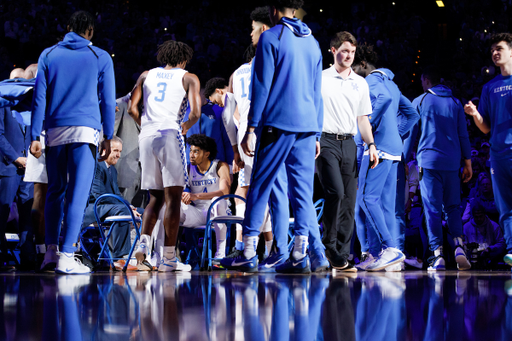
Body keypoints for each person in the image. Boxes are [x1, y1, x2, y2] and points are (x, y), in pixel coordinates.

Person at [222, 0, 324, 273]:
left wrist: (252, 127)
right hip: (307, 126)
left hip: (276, 124)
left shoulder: (271, 37)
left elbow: (262, 85)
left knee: (260, 186)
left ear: (274, 10)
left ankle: (247, 252)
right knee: (303, 193)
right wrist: (317, 132)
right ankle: (300, 255)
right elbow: (317, 93)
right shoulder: (312, 42)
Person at [30, 11, 116, 274]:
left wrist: (34, 135)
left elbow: (39, 98)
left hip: (54, 131)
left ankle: (50, 255)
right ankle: (68, 255)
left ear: (68, 28)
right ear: (90, 31)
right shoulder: (99, 56)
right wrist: (108, 135)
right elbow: (108, 100)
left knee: (54, 192)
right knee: (77, 194)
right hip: (85, 131)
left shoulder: (49, 54)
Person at [128, 40, 201, 272]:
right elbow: (196, 112)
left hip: (146, 135)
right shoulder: (189, 77)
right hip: (169, 133)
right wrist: (186, 126)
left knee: (154, 198)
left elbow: (132, 108)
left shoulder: (146, 75)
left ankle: (144, 242)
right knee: (173, 198)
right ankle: (168, 258)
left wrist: (145, 125)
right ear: (184, 60)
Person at [352, 44, 420, 271]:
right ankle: (376, 254)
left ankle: (390, 249)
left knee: (366, 199)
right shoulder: (392, 84)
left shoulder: (369, 82)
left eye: (354, 66)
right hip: (393, 150)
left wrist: (367, 129)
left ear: (362, 64)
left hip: (377, 148)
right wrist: (397, 134)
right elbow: (412, 114)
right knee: (384, 206)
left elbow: (382, 101)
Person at [316, 31, 378, 271]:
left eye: (352, 52)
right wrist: (313, 136)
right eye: (344, 51)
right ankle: (329, 245)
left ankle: (341, 253)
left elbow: (363, 118)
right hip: (325, 140)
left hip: (350, 143)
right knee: (336, 192)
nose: (349, 56)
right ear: (333, 51)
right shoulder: (320, 78)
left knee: (350, 201)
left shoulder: (360, 83)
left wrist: (371, 145)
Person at [407, 66, 472, 271]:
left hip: (429, 162)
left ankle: (438, 255)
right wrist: (468, 161)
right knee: (453, 207)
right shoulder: (455, 102)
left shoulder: (421, 100)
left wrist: (404, 158)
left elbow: (411, 132)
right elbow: (463, 134)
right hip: (453, 163)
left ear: (426, 80)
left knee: (432, 209)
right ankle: (459, 246)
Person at [464, 32, 512, 268]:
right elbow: (485, 128)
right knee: (505, 206)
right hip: (498, 153)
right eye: (492, 49)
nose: (495, 52)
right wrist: (475, 115)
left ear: (511, 51)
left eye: (500, 48)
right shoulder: (489, 87)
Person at [82, 136, 143, 271]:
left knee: (145, 212)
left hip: (106, 206)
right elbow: (100, 196)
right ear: (104, 151)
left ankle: (139, 257)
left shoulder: (112, 169)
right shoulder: (96, 165)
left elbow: (116, 194)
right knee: (123, 211)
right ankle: (119, 258)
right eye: (115, 150)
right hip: (93, 208)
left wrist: (130, 206)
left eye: (120, 151)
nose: (118, 155)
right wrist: (126, 207)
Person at [0, 70, 35, 271]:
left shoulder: (30, 103)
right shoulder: (2, 102)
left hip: (29, 166)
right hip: (8, 166)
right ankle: (2, 255)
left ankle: (28, 256)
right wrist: (15, 158)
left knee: (27, 212)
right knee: (3, 210)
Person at [180, 134, 231, 259]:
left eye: (196, 152)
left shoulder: (219, 166)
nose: (191, 155)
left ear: (207, 154)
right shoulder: (188, 168)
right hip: (198, 212)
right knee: (172, 207)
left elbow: (224, 192)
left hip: (219, 211)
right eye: (190, 151)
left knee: (217, 201)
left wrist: (196, 196)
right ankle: (167, 254)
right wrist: (183, 196)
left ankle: (220, 253)